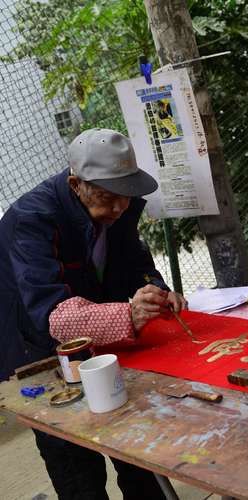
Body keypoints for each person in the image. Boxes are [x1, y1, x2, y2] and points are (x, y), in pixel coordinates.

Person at [0, 128, 187, 499]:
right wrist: (128, 315)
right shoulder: (31, 220)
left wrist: (156, 290)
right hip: (33, 346)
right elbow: (52, 315)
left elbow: (135, 262)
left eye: (125, 194)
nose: (118, 208)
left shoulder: (120, 205)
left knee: (134, 440)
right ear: (76, 184)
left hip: (99, 336)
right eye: (107, 196)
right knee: (74, 459)